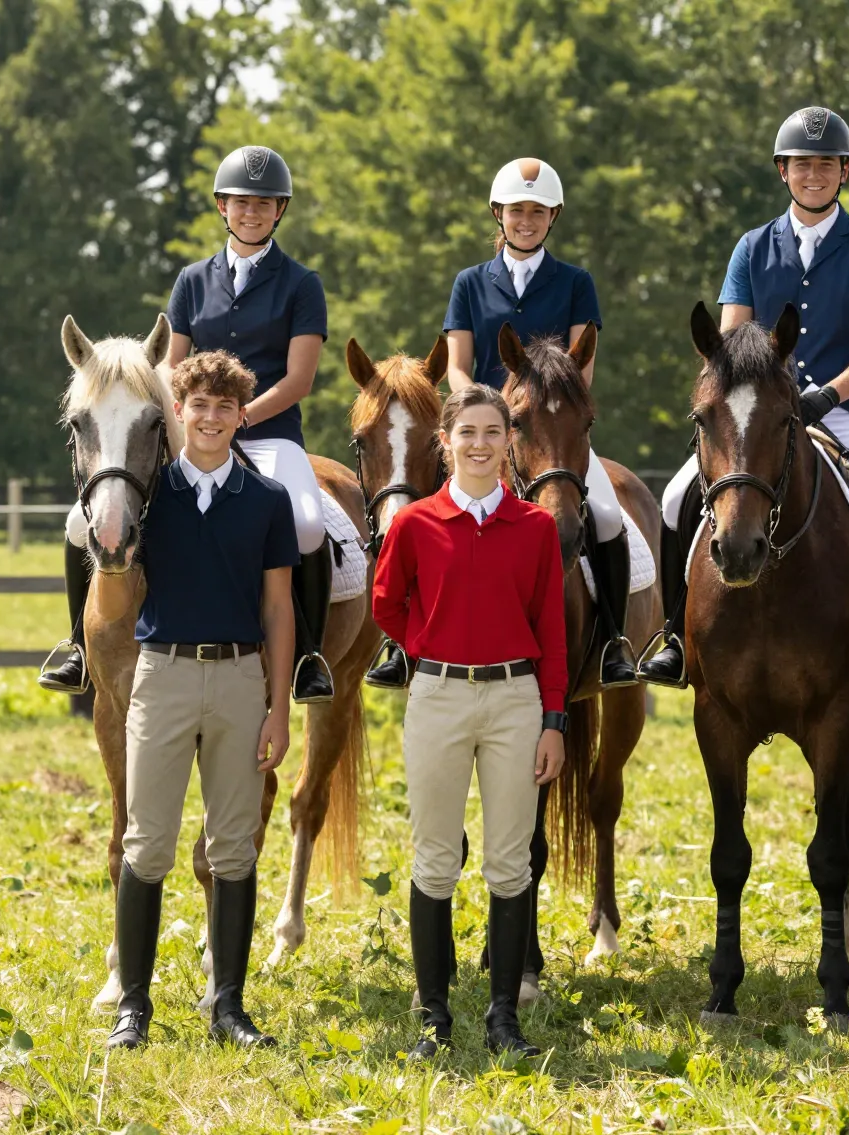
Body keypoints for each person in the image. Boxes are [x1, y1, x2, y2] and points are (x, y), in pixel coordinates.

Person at [638, 106, 849, 688]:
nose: (812, 174)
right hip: (757, 415)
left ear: (843, 171)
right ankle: (671, 638)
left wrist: (824, 399)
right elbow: (731, 340)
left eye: (824, 164)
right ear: (782, 172)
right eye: (800, 165)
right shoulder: (751, 247)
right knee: (671, 499)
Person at [45, 146, 334, 703]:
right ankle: (80, 647)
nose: (251, 212)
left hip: (269, 434)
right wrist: (189, 419)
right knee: (80, 525)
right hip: (193, 433)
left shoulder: (302, 284)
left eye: (264, 204)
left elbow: (299, 380)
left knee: (305, 522)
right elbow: (169, 366)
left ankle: (308, 657)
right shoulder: (192, 280)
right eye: (241, 202)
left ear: (280, 211)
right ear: (222, 206)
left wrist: (238, 416)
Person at [371, 385, 569, 1060]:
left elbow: (553, 631)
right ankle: (433, 1019)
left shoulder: (536, 527)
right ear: (445, 442)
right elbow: (385, 605)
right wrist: (429, 646)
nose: (480, 444)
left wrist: (552, 721)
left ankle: (503, 1017)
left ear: (509, 441)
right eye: (468, 433)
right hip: (439, 699)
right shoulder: (414, 523)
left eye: (493, 432)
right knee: (434, 861)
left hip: (516, 701)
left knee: (510, 864)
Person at [385, 156, 635, 691]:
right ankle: (397, 644)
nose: (527, 220)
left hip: (552, 431)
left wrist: (535, 412)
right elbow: (456, 365)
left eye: (539, 212)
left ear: (553, 218)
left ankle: (614, 641)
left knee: (609, 516)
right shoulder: (470, 282)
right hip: (478, 430)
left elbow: (580, 366)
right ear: (498, 214)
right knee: (411, 509)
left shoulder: (575, 282)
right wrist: (484, 414)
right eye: (517, 210)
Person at [106, 351, 297, 1050]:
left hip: (241, 679)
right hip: (163, 675)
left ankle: (229, 1006)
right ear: (178, 412)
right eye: (199, 406)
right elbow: (122, 588)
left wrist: (278, 704)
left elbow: (278, 609)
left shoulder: (267, 502)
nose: (211, 418)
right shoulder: (150, 497)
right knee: (147, 844)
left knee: (234, 849)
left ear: (241, 416)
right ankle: (134, 1005)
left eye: (225, 408)